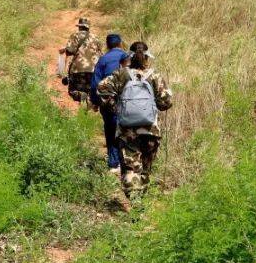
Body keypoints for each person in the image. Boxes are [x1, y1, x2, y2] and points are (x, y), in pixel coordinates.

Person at [96, 41, 173, 195]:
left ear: (129, 57)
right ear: (147, 57)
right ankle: (142, 200)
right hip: (151, 130)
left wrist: (115, 107)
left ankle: (135, 203)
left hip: (126, 130)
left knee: (130, 167)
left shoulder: (121, 74)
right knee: (145, 169)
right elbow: (166, 102)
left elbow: (102, 89)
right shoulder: (155, 75)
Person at [90, 33, 130, 173]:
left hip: (107, 101)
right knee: (126, 129)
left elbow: (95, 83)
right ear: (120, 44)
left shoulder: (102, 60)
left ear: (107, 45)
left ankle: (114, 163)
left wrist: (95, 102)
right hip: (127, 100)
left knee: (110, 129)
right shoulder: (127, 57)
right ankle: (127, 160)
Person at [58, 17, 103, 104]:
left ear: (79, 26)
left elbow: (70, 51)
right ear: (88, 27)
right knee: (89, 90)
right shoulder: (96, 38)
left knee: (73, 90)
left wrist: (64, 50)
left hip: (77, 69)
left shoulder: (75, 35)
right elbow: (100, 53)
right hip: (93, 70)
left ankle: (81, 102)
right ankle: (86, 106)